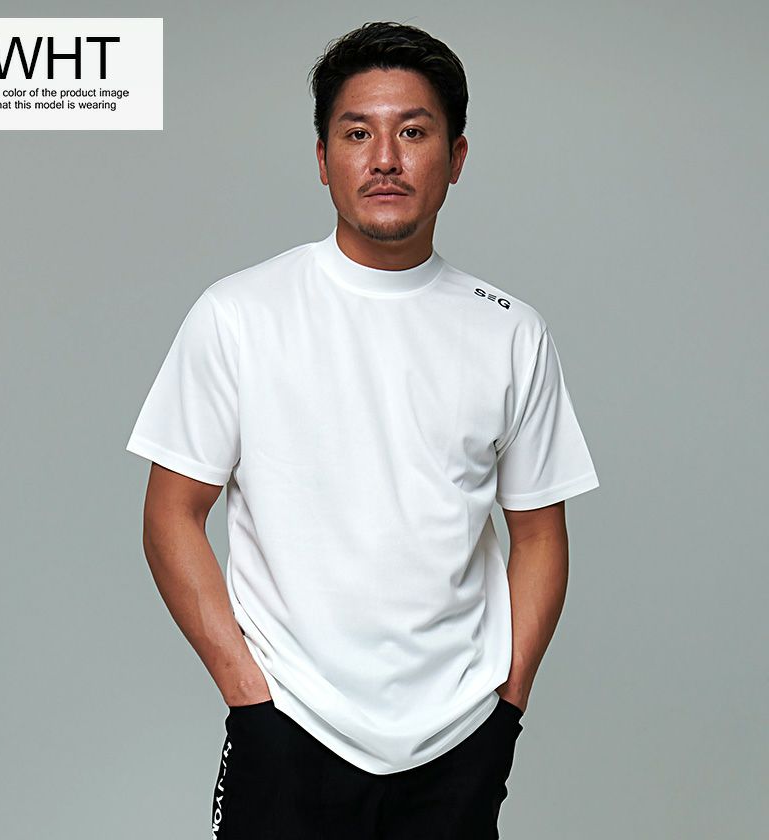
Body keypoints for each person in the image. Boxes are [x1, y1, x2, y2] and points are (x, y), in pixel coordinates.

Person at [125, 20, 600, 840]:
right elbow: (170, 515)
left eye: (413, 132)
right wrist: (249, 698)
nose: (385, 157)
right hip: (289, 728)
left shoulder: (511, 332)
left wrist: (506, 709)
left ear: (455, 157)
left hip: (460, 739)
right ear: (322, 159)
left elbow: (539, 534)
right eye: (357, 133)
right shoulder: (240, 315)